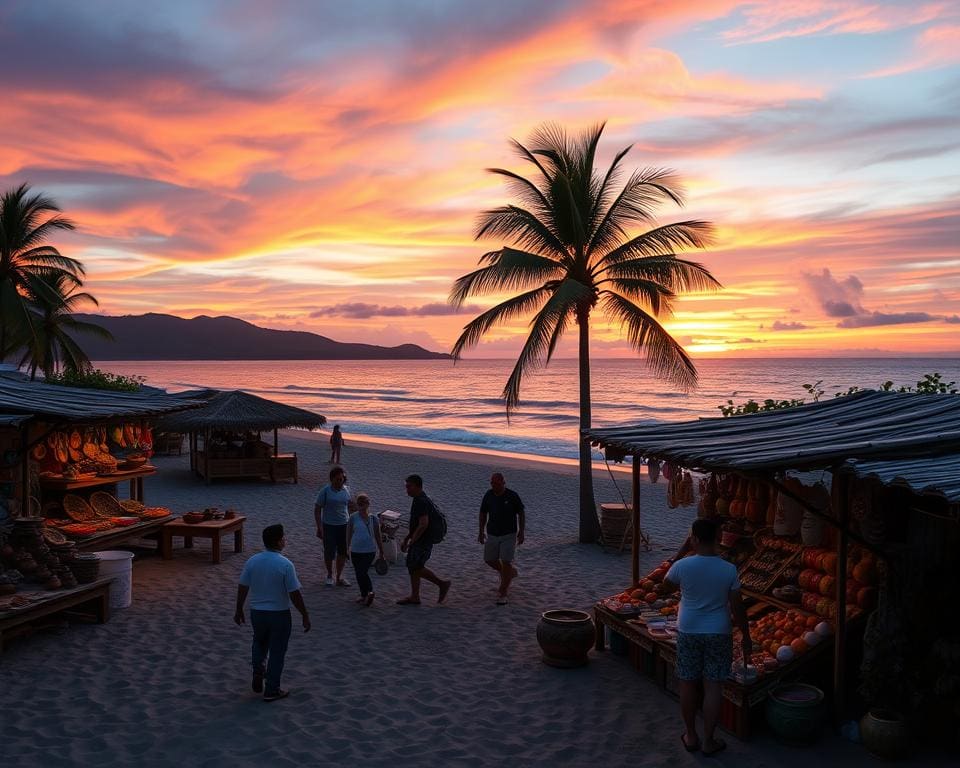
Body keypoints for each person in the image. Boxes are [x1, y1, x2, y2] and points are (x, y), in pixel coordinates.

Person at [658, 518, 750, 756]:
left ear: (694, 540)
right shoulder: (729, 569)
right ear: (718, 538)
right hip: (719, 632)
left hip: (689, 630)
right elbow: (738, 608)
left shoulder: (683, 566)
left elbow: (664, 588)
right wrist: (746, 636)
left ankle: (690, 735)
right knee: (713, 687)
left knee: (687, 683)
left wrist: (680, 555)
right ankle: (709, 740)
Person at [234, 524, 311, 702]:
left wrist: (239, 609)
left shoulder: (252, 561)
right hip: (279, 613)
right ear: (278, 542)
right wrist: (304, 614)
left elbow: (243, 586)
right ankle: (272, 689)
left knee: (259, 641)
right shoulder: (285, 564)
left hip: (257, 612)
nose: (285, 540)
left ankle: (258, 668)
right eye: (283, 538)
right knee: (277, 650)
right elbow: (294, 593)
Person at [397, 474, 451, 605]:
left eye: (409, 487)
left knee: (415, 566)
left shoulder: (421, 501)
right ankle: (415, 596)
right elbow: (415, 524)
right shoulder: (419, 498)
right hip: (421, 539)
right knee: (413, 566)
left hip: (424, 540)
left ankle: (442, 584)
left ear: (417, 486)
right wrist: (407, 538)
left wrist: (412, 541)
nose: (407, 490)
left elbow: (423, 524)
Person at [478, 472, 525, 605]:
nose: (494, 486)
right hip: (492, 533)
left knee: (506, 561)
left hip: (509, 534)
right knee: (489, 559)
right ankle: (509, 573)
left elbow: (521, 513)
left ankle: (503, 592)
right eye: (492, 483)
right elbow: (483, 513)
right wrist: (481, 531)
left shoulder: (512, 495)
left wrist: (521, 531)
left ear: (504, 483)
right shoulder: (488, 495)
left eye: (497, 484)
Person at [314, 466, 354, 586]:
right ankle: (330, 574)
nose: (340, 481)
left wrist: (353, 523)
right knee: (329, 552)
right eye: (337, 479)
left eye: (342, 479)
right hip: (329, 525)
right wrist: (319, 527)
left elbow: (349, 506)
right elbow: (317, 509)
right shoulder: (325, 491)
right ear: (331, 479)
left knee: (342, 552)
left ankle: (339, 576)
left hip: (344, 525)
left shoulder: (346, 490)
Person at [347, 493, 385, 606]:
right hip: (355, 550)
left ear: (368, 504)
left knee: (362, 571)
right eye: (359, 504)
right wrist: (346, 547)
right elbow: (348, 533)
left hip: (369, 551)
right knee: (359, 573)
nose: (361, 507)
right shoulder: (353, 517)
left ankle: (370, 592)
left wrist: (381, 552)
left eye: (363, 504)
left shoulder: (374, 519)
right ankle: (364, 595)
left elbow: (378, 536)